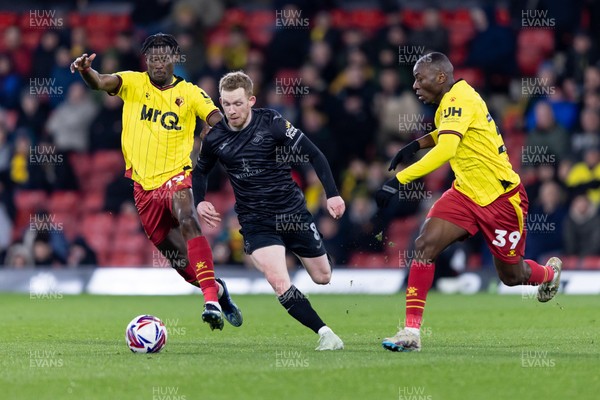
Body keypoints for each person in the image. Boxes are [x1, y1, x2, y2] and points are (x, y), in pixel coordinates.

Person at [375, 52, 562, 352]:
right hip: (464, 194)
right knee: (424, 246)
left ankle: (550, 274)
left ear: (439, 77)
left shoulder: (459, 99)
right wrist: (416, 145)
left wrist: (400, 180)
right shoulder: (451, 101)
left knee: (512, 276)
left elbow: (448, 147)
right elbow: (446, 134)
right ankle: (411, 332)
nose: (414, 85)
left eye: (419, 78)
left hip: (501, 199)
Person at [70, 33, 241, 331]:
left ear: (174, 58)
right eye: (153, 57)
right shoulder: (132, 83)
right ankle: (218, 290)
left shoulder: (190, 93)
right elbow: (100, 81)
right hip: (143, 188)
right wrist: (86, 71)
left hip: (177, 176)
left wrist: (223, 131)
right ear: (145, 60)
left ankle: (210, 301)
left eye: (163, 57)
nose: (158, 62)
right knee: (178, 260)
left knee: (188, 218)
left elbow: (215, 118)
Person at [193, 71, 345, 350]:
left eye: (238, 103)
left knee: (323, 277)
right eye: (226, 104)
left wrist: (332, 195)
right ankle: (325, 333)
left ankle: (305, 250)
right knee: (278, 281)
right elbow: (200, 170)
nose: (232, 110)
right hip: (255, 220)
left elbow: (314, 154)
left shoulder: (272, 123)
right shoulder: (215, 138)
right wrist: (200, 200)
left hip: (291, 211)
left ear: (250, 100)